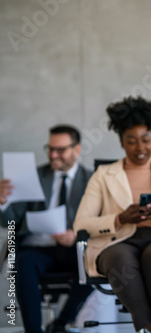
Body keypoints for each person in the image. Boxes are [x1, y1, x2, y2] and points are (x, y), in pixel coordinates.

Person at [73, 96, 151, 333]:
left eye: (146, 140)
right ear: (122, 143)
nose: (140, 148)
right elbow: (80, 224)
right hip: (117, 241)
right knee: (120, 259)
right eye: (132, 141)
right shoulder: (103, 175)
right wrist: (119, 219)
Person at [0, 125, 94, 333]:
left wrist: (77, 234)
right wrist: (3, 203)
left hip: (74, 248)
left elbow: (100, 220)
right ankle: (34, 331)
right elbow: (10, 222)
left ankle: (60, 324)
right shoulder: (33, 176)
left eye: (60, 150)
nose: (53, 155)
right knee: (22, 263)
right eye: (50, 149)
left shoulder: (92, 179)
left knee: (94, 264)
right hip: (38, 248)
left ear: (76, 149)